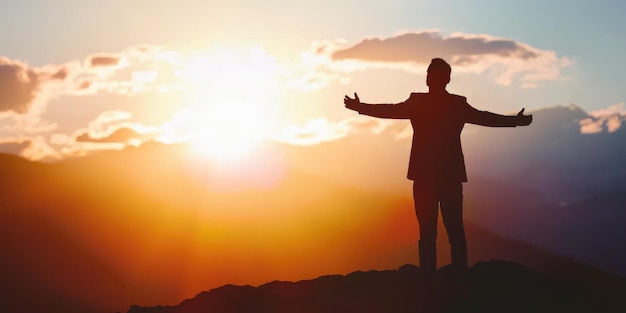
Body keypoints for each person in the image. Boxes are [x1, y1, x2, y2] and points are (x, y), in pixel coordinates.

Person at [343, 58, 532, 272]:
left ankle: (429, 278)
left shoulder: (421, 103)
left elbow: (389, 110)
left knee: (429, 231)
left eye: (430, 74)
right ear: (447, 79)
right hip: (447, 176)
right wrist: (514, 121)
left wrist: (360, 107)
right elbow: (485, 118)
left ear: (431, 79)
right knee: (453, 231)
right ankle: (457, 277)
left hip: (425, 176)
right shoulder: (455, 104)